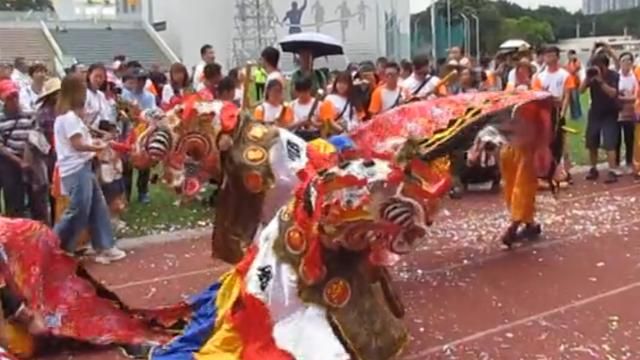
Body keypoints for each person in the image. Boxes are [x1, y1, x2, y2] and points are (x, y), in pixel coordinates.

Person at [52, 75, 126, 263]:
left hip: (82, 166)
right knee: (79, 209)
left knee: (97, 207)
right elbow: (77, 144)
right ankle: (54, 243)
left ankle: (105, 245)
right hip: (75, 169)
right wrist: (97, 147)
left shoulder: (71, 117)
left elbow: (80, 142)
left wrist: (95, 143)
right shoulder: (68, 118)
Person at [532, 46, 575, 184]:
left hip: (558, 112)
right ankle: (545, 171)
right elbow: (537, 96)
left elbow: (567, 95)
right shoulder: (540, 77)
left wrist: (563, 113)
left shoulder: (565, 75)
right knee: (545, 142)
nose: (548, 57)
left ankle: (563, 170)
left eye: (551, 55)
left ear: (557, 56)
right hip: (544, 113)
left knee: (559, 142)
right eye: (546, 55)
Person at [580, 53, 620, 183]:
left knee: (609, 142)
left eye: (598, 66)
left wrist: (601, 81)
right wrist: (587, 79)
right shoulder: (591, 75)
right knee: (592, 141)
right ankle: (593, 168)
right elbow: (580, 91)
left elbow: (613, 93)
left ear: (605, 66)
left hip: (609, 112)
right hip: (595, 111)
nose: (596, 68)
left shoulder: (613, 75)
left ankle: (612, 171)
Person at [0, 80, 35, 218]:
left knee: (29, 195)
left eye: (15, 96)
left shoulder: (29, 114)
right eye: (9, 97)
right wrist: (18, 161)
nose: (14, 100)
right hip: (7, 160)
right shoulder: (1, 118)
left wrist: (26, 158)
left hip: (27, 156)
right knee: (12, 195)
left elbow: (33, 137)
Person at [121, 67, 156, 204]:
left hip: (144, 133)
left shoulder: (149, 96)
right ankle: (126, 194)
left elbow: (152, 113)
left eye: (143, 80)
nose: (140, 83)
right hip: (128, 134)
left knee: (144, 164)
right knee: (127, 167)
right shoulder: (125, 96)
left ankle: (143, 192)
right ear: (132, 80)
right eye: (137, 80)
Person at [34, 77, 61, 223]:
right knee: (51, 187)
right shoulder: (43, 113)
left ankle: (57, 218)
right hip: (48, 154)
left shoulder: (62, 110)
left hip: (60, 152)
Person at [319, 71, 361, 136]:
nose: (341, 86)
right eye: (339, 82)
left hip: (355, 133)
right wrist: (342, 131)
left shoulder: (353, 99)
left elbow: (359, 118)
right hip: (338, 135)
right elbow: (329, 122)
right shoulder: (329, 99)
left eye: (344, 83)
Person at [617, 52, 636, 173]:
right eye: (624, 60)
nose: (626, 63)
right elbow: (615, 95)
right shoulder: (616, 76)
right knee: (616, 139)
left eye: (629, 61)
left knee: (629, 138)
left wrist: (624, 97)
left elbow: (635, 96)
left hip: (630, 113)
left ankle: (629, 161)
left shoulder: (634, 77)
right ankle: (616, 163)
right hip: (617, 113)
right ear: (620, 62)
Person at [291, 74, 321, 140]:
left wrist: (313, 123)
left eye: (305, 91)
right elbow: (287, 126)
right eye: (299, 92)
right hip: (298, 137)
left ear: (310, 90)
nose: (302, 94)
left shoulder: (319, 104)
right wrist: (300, 123)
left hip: (315, 136)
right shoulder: (292, 105)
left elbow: (324, 126)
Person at [85, 63, 115, 128]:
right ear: (89, 75)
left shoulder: (101, 95)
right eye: (96, 76)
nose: (98, 80)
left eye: (101, 77)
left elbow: (105, 116)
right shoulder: (84, 93)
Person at [566, 49, 583, 120]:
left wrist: (572, 62)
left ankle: (578, 115)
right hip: (569, 83)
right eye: (569, 55)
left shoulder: (577, 62)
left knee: (575, 99)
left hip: (575, 83)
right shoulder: (567, 62)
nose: (569, 56)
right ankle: (573, 115)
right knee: (570, 100)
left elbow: (573, 70)